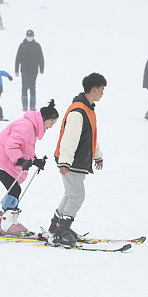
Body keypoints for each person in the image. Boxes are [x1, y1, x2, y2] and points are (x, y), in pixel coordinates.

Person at [0, 101, 59, 236]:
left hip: (2, 159)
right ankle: (6, 225)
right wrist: (19, 160)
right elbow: (11, 146)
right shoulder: (26, 126)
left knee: (14, 189)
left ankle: (7, 222)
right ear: (44, 118)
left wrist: (35, 161)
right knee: (15, 189)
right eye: (51, 123)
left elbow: (26, 149)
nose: (51, 126)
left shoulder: (31, 128)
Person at [48, 72, 107, 247]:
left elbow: (91, 137)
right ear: (94, 90)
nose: (103, 93)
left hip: (77, 160)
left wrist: (97, 155)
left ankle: (56, 227)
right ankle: (62, 231)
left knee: (71, 195)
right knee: (77, 196)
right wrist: (65, 162)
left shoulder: (87, 110)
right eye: (102, 90)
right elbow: (69, 138)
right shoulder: (78, 111)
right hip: (71, 161)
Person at [14, 29, 45, 112]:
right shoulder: (22, 45)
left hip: (34, 70)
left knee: (32, 86)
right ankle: (24, 105)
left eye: (31, 36)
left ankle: (32, 105)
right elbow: (18, 58)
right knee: (24, 86)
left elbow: (40, 58)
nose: (29, 37)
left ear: (33, 36)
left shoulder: (37, 46)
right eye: (28, 36)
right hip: (24, 69)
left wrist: (41, 68)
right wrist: (16, 69)